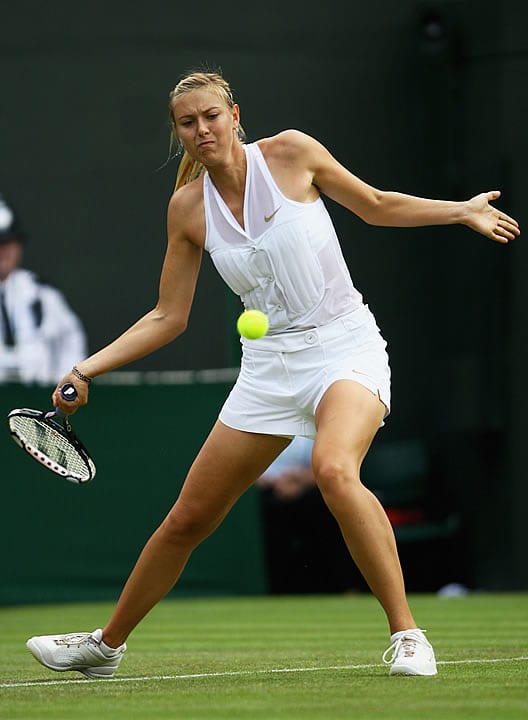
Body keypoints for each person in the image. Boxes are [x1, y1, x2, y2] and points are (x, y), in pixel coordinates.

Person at [25, 70, 520, 679]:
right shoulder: (186, 208)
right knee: (187, 519)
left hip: (346, 348)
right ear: (177, 133)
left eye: (211, 115)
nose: (201, 129)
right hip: (268, 369)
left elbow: (376, 206)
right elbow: (167, 316)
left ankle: (409, 635)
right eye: (187, 122)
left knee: (335, 470)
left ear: (235, 114)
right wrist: (87, 367)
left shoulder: (291, 152)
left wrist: (460, 211)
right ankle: (106, 646)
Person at [0, 194, 87, 384]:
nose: (3, 251)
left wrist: (62, 387)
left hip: (37, 403)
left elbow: (71, 343)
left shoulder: (42, 295)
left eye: (7, 243)